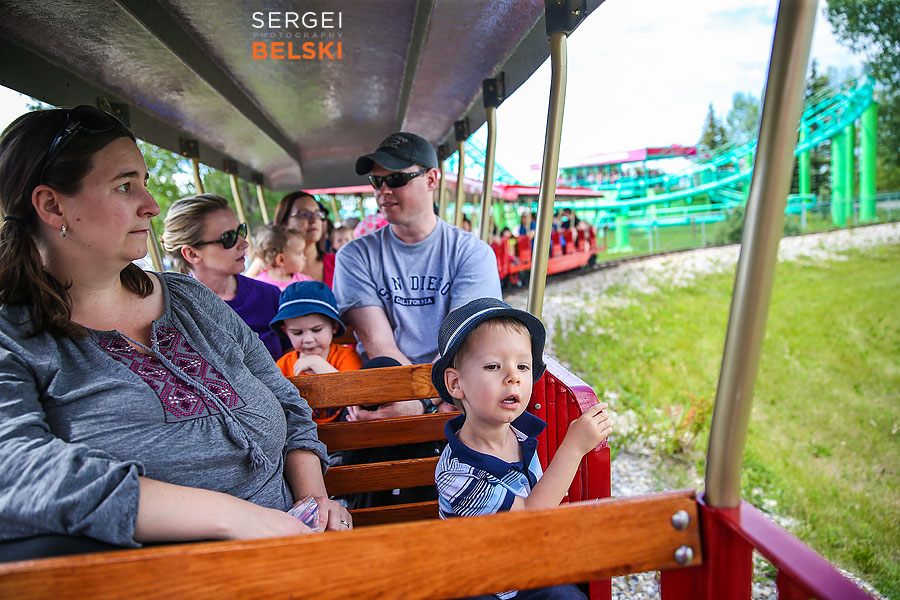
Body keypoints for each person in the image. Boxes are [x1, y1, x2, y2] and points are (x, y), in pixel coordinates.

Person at [0, 106, 352, 554]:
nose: (151, 205)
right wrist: (233, 518)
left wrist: (313, 499)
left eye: (144, 183)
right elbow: (14, 468)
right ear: (52, 205)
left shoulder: (189, 299)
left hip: (299, 545)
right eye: (125, 186)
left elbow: (284, 397)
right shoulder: (13, 337)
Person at [432, 298, 611, 600]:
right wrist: (574, 446)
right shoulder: (457, 475)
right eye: (493, 366)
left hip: (523, 569)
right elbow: (530, 514)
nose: (512, 376)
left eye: (523, 366)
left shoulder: (519, 432)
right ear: (456, 383)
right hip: (477, 584)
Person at [333, 131, 502, 420]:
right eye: (377, 181)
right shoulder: (354, 256)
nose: (384, 190)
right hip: (389, 389)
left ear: (432, 179)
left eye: (396, 180)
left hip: (456, 390)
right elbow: (380, 345)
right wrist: (417, 401)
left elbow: (459, 343)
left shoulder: (472, 253)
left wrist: (424, 404)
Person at [161, 194, 285, 361]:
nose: (244, 243)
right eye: (228, 238)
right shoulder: (176, 311)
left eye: (241, 231)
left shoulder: (270, 296)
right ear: (192, 253)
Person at [270, 281, 362, 423]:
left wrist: (317, 363)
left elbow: (356, 393)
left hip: (343, 428)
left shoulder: (346, 356)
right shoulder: (285, 364)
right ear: (286, 331)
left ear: (334, 326)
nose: (307, 339)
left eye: (316, 330)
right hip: (300, 434)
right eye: (297, 332)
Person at [271, 191, 335, 287]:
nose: (314, 220)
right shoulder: (271, 271)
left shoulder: (337, 263)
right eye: (304, 214)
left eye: (318, 214)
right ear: (283, 223)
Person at [251, 223, 314, 291]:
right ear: (281, 259)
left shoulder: (306, 282)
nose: (305, 258)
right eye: (299, 253)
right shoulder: (258, 286)